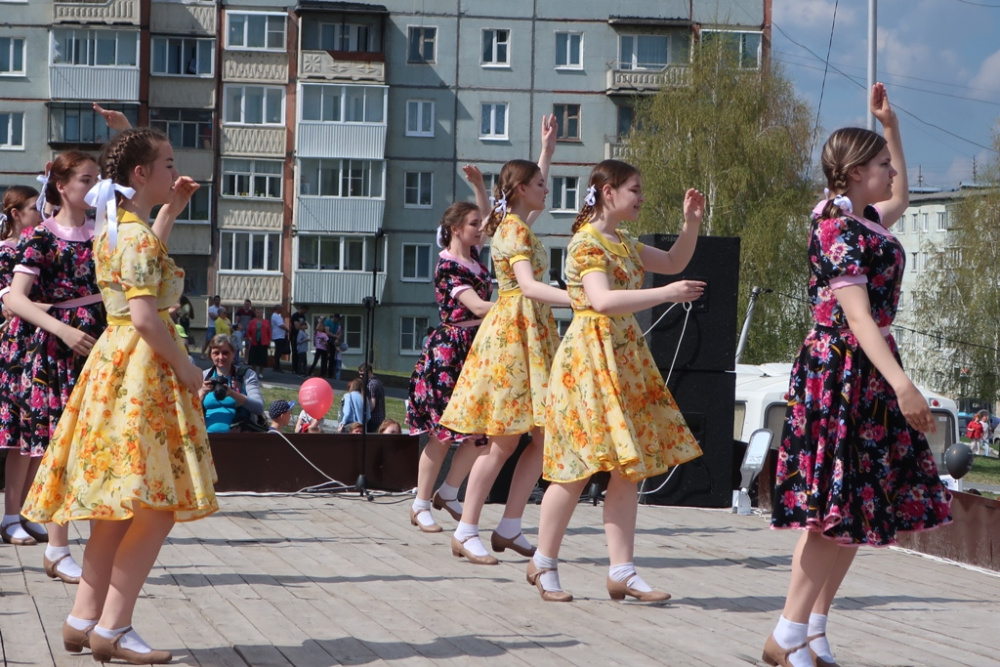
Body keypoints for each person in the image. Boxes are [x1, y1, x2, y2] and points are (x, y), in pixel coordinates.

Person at [763, 84, 952, 667]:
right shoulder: (837, 230)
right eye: (881, 164)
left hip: (862, 370)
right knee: (831, 510)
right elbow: (858, 317)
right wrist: (902, 384)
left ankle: (812, 631)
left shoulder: (863, 220)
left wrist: (890, 125)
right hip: (843, 370)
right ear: (852, 173)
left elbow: (902, 195)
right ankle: (787, 633)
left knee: (854, 510)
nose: (891, 171)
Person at [22, 126, 216, 664]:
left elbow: (141, 267)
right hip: (141, 371)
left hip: (116, 365)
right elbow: (146, 316)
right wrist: (188, 368)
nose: (175, 169)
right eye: (167, 163)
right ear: (141, 173)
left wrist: (171, 210)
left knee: (119, 507)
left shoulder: (116, 228)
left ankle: (83, 619)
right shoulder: (132, 236)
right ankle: (114, 625)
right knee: (155, 506)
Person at [531, 160, 706, 602]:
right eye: (634, 189)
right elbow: (602, 300)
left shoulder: (623, 240)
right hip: (589, 363)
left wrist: (690, 225)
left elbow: (674, 261)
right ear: (608, 192)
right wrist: (667, 294)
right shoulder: (586, 242)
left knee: (629, 468)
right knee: (575, 470)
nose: (641, 197)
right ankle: (543, 563)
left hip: (623, 359)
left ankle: (622, 571)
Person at [439, 144, 570, 566]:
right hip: (515, 334)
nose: (546, 189)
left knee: (541, 437)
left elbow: (525, 187)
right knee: (501, 441)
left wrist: (547, 151)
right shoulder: (512, 230)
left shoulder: (516, 224)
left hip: (532, 333)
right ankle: (465, 529)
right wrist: (582, 298)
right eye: (540, 184)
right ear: (520, 189)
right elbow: (528, 286)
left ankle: (510, 524)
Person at [3, 151, 108, 585]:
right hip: (58, 351)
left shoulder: (103, 231)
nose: (94, 187)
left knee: (94, 446)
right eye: (86, 180)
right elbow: (14, 298)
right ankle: (58, 547)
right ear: (61, 186)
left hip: (100, 342)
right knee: (60, 447)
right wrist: (62, 330)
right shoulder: (41, 237)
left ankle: (83, 545)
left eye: (97, 179)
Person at [406, 172, 495, 533]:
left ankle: (449, 492)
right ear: (456, 229)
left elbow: (490, 219)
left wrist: (479, 187)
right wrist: (521, 303)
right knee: (441, 432)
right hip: (450, 352)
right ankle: (420, 503)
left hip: (477, 349)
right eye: (473, 224)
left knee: (481, 431)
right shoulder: (448, 266)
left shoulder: (473, 256)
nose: (480, 229)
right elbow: (477, 306)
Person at [0, 185, 44, 547]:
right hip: (16, 350)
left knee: (38, 434)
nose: (40, 214)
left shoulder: (38, 248)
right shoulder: (5, 253)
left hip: (41, 344)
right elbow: (10, 304)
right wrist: (62, 310)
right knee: (18, 437)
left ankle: (27, 510)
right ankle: (11, 515)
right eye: (34, 208)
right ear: (16, 214)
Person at [198, 333, 265, 433]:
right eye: (216, 353)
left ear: (233, 353)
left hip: (239, 438)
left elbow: (259, 407)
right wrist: (202, 392)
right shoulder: (204, 376)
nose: (221, 357)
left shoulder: (246, 375)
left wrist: (232, 393)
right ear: (210, 355)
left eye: (225, 353)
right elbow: (189, 409)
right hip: (207, 437)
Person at [245, 307, 271, 377]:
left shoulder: (266, 322)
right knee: (254, 358)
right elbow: (248, 332)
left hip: (263, 342)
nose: (259, 314)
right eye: (257, 313)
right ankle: (254, 372)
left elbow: (269, 332)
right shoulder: (252, 322)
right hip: (254, 342)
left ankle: (260, 373)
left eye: (260, 312)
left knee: (262, 358)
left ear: (262, 313)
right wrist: (250, 338)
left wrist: (269, 341)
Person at [359, 363, 385, 432]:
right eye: (360, 374)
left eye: (362, 374)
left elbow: (372, 404)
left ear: (369, 372)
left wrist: (365, 415)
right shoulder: (379, 382)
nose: (360, 376)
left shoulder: (371, 384)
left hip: (373, 419)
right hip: (381, 417)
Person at [290, 303, 309, 374]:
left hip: (301, 335)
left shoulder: (303, 316)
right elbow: (296, 327)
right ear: (302, 309)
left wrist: (302, 327)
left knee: (300, 353)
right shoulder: (295, 316)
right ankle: (294, 369)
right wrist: (302, 327)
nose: (305, 312)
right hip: (295, 335)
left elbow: (306, 326)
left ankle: (300, 369)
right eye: (305, 311)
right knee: (295, 351)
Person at [200, 294, 220, 358]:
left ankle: (210, 355)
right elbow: (213, 317)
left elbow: (224, 317)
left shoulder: (222, 308)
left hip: (219, 327)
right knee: (207, 341)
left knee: (216, 342)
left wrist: (218, 316)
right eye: (216, 300)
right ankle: (202, 354)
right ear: (214, 301)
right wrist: (220, 315)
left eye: (218, 300)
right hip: (212, 326)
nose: (217, 301)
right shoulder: (211, 308)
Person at [270, 304, 289, 373]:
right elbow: (281, 325)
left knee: (279, 351)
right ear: (278, 309)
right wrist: (287, 330)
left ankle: (276, 366)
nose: (282, 310)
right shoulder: (276, 316)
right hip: (278, 336)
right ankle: (276, 366)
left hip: (280, 335)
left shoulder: (277, 316)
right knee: (278, 351)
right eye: (281, 308)